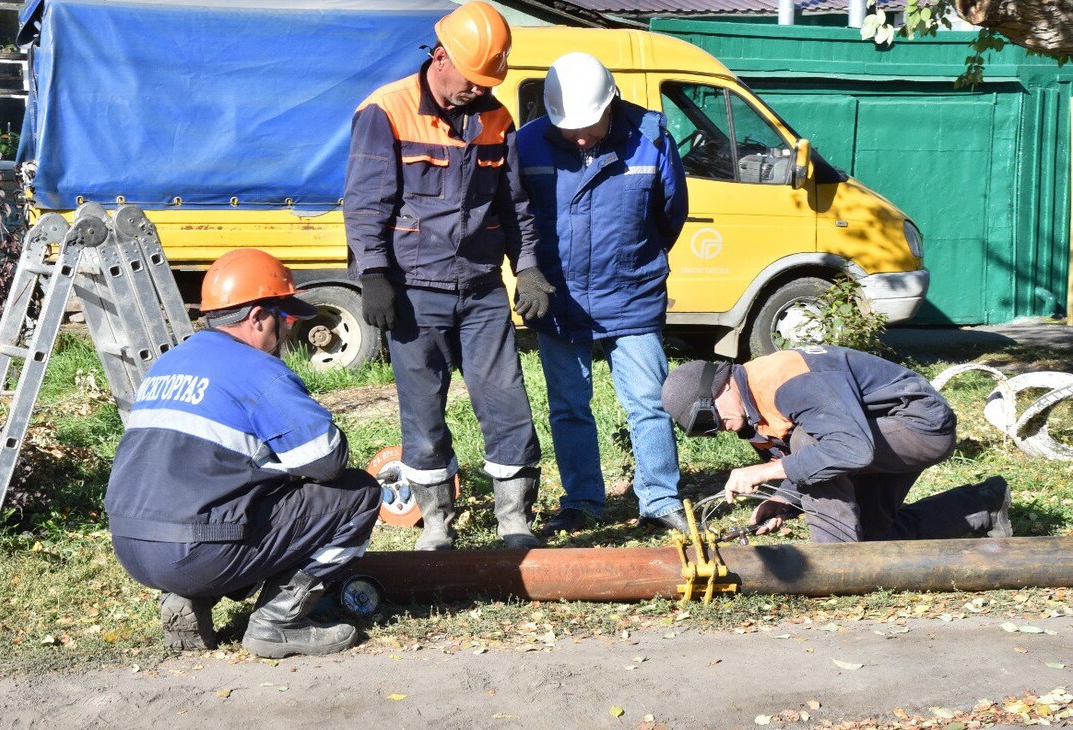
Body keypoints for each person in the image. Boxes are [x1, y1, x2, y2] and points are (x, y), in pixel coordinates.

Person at [344, 1, 553, 551]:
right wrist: (374, 274)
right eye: (472, 78)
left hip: (482, 289)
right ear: (441, 57)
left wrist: (527, 267)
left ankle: (514, 519)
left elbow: (515, 206)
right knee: (423, 409)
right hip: (416, 293)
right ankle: (435, 522)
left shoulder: (496, 116)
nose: (477, 90)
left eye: (488, 81)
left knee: (506, 401)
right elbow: (366, 204)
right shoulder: (385, 111)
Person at [105, 249, 381, 658]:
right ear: (256, 318)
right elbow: (327, 460)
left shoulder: (168, 364)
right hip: (196, 551)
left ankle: (185, 597)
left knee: (225, 500)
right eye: (285, 320)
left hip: (132, 545)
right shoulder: (258, 370)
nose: (288, 333)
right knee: (358, 493)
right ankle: (276, 623)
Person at [514, 52, 690, 535]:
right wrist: (528, 271)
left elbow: (670, 214)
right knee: (568, 406)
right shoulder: (526, 145)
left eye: (590, 124)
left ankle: (659, 500)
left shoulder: (650, 139)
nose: (582, 136)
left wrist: (635, 261)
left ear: (612, 103)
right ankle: (583, 500)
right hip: (558, 297)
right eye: (571, 128)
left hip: (632, 295)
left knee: (650, 402)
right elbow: (515, 216)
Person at [660, 345, 1013, 543]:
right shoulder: (750, 405)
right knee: (876, 538)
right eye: (703, 430)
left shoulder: (787, 381)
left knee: (807, 439)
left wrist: (765, 471)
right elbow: (820, 457)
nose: (717, 429)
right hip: (871, 435)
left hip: (919, 427)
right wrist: (784, 499)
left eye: (708, 419)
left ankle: (833, 558)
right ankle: (983, 504)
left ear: (721, 388)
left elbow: (849, 449)